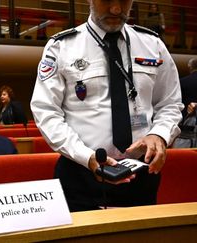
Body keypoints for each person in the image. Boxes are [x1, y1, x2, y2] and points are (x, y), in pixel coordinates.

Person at [31, 0, 183, 212]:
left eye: (124, 1)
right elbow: (46, 111)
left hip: (140, 173)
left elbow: (170, 103)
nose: (116, 9)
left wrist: (159, 134)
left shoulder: (152, 44)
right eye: (106, 0)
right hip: (80, 174)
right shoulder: (62, 47)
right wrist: (86, 156)